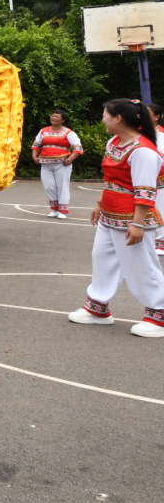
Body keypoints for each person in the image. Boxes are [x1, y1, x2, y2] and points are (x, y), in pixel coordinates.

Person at [68, 99, 164, 338]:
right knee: (102, 259)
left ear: (118, 118)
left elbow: (145, 191)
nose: (103, 120)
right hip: (109, 215)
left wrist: (137, 224)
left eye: (105, 116)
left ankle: (159, 313)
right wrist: (99, 204)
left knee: (141, 265)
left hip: (131, 219)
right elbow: (110, 179)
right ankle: (98, 308)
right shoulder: (114, 142)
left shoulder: (143, 150)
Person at [31, 109, 83, 220]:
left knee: (62, 187)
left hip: (62, 164)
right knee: (49, 186)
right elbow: (36, 145)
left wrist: (70, 159)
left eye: (57, 117)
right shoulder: (43, 131)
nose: (54, 118)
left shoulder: (69, 133)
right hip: (45, 164)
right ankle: (54, 209)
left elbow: (78, 148)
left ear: (63, 120)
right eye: (53, 116)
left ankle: (63, 211)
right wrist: (34, 156)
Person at [147, 102, 164, 255]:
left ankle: (162, 242)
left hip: (159, 178)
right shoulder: (141, 132)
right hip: (145, 177)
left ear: (157, 117)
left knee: (161, 209)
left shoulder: (161, 135)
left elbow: (159, 157)